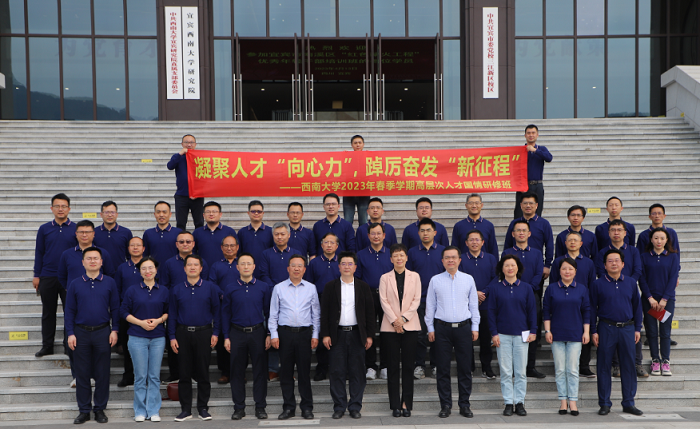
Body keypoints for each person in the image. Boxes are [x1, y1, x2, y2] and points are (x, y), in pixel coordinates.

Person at [64, 247, 119, 424]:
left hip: (103, 332)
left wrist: (115, 330)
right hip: (80, 333)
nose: (93, 261)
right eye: (89, 258)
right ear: (83, 262)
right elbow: (69, 311)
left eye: (96, 258)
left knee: (102, 373)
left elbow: (115, 308)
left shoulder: (110, 282)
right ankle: (84, 410)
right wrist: (70, 333)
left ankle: (100, 409)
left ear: (101, 262)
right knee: (82, 374)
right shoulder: (75, 283)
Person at [320, 251, 376, 420]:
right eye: (343, 263)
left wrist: (370, 335)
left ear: (355, 267)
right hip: (336, 335)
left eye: (350, 263)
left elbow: (370, 313)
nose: (346, 266)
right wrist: (325, 334)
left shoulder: (363, 287)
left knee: (357, 372)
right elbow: (324, 313)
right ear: (338, 267)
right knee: (337, 371)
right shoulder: (330, 287)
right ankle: (339, 406)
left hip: (357, 334)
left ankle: (355, 406)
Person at [425, 246, 479, 419]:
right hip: (442, 329)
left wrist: (475, 327)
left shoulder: (468, 279)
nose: (450, 260)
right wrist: (430, 328)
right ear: (442, 261)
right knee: (442, 369)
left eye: (454, 257)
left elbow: (473, 305)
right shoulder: (435, 280)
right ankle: (445, 405)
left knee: (465, 368)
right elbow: (430, 306)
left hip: (464, 328)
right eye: (447, 257)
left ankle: (464, 404)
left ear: (459, 260)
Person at [590, 249, 644, 416]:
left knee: (628, 366)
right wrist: (593, 330)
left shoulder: (631, 283)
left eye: (617, 260)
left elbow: (637, 307)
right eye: (610, 261)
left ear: (623, 264)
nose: (614, 263)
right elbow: (592, 309)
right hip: (606, 328)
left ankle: (628, 402)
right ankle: (605, 403)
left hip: (627, 328)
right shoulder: (597, 284)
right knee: (604, 366)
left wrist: (637, 328)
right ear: (604, 265)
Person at [168, 254, 221, 422]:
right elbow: (172, 314)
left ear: (201, 268)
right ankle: (185, 409)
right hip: (182, 333)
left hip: (204, 333)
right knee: (184, 373)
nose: (192, 267)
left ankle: (203, 408)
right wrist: (172, 336)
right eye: (189, 265)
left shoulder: (210, 288)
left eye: (195, 265)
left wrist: (215, 333)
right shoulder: (176, 289)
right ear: (184, 268)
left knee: (203, 372)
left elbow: (217, 312)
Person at [269, 255, 320, 420]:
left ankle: (307, 408)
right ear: (288, 268)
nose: (296, 268)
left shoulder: (311, 288)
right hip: (285, 334)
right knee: (286, 373)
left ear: (304, 269)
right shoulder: (279, 288)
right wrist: (274, 334)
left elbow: (316, 314)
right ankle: (289, 407)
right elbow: (273, 314)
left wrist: (315, 334)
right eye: (293, 265)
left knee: (304, 373)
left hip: (304, 334)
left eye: (300, 266)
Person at [594, 219, 647, 378]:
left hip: (628, 290)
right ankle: (616, 365)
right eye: (613, 230)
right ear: (608, 233)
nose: (616, 233)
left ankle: (637, 363)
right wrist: (611, 282)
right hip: (608, 289)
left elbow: (637, 269)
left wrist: (627, 283)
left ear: (625, 233)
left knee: (631, 324)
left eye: (619, 230)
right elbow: (600, 271)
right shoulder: (603, 252)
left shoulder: (633, 250)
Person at [223, 253, 272, 421]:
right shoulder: (230, 288)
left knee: (260, 371)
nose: (245, 266)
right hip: (236, 333)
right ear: (237, 267)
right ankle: (239, 407)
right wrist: (226, 336)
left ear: (254, 266)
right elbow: (225, 314)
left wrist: (268, 333)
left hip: (258, 332)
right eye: (242, 264)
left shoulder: (263, 287)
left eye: (248, 263)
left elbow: (268, 312)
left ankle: (260, 407)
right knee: (236, 371)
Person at [488, 254, 537, 417]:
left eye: (513, 265)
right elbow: (491, 312)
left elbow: (532, 311)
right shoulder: (495, 288)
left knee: (521, 371)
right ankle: (509, 402)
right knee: (506, 371)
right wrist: (494, 333)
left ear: (518, 268)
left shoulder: (526, 288)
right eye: (506, 265)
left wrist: (533, 330)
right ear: (502, 269)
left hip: (522, 335)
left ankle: (520, 402)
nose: (510, 268)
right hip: (502, 335)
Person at [120, 257, 169, 422]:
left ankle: (153, 410)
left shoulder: (164, 290)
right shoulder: (132, 290)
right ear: (139, 272)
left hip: (157, 338)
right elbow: (124, 312)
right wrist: (140, 323)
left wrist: (158, 320)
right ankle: (140, 410)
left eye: (151, 268)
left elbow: (169, 311)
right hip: (137, 337)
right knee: (140, 376)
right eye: (144, 268)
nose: (148, 271)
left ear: (156, 270)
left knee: (154, 376)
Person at [160, 231, 211, 384]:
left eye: (188, 241)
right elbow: (164, 285)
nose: (185, 244)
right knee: (175, 341)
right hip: (176, 306)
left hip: (197, 307)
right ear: (176, 245)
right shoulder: (169, 263)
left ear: (193, 244)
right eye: (181, 242)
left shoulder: (201, 262)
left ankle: (195, 373)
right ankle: (175, 373)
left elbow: (205, 284)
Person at [543, 257, 590, 416]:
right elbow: (546, 311)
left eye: (570, 269)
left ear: (575, 271)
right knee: (560, 369)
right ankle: (563, 401)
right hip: (556, 334)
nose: (567, 271)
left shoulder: (582, 289)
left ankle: (573, 402)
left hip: (575, 334)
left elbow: (586, 311)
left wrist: (586, 332)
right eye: (564, 268)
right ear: (559, 271)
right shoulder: (551, 289)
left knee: (573, 370)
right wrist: (547, 331)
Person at [379, 243, 422, 418]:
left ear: (406, 258)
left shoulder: (415, 276)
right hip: (390, 327)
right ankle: (395, 404)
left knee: (408, 366)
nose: (399, 258)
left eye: (401, 255)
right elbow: (383, 300)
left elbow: (416, 299)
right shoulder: (385, 278)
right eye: (395, 255)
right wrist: (395, 321)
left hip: (410, 326)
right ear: (391, 259)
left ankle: (406, 403)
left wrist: (403, 319)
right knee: (392, 366)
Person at [34, 193, 77, 358]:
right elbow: (39, 252)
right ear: (52, 208)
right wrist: (37, 275)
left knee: (70, 312)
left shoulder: (76, 229)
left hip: (69, 277)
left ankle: (68, 346)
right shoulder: (44, 229)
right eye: (57, 206)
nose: (60, 209)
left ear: (69, 209)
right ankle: (47, 346)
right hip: (48, 276)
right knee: (48, 312)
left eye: (64, 206)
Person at [549, 231, 597, 379]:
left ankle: (584, 366)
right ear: (565, 243)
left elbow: (592, 284)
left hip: (583, 301)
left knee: (585, 331)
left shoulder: (588, 262)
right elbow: (553, 282)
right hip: (562, 301)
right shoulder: (558, 262)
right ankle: (562, 367)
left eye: (575, 240)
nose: (572, 243)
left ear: (581, 244)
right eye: (570, 240)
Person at [502, 220, 545, 379]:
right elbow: (504, 273)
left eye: (524, 230)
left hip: (532, 295)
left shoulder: (537, 253)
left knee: (532, 330)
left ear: (529, 233)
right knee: (513, 330)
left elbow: (539, 273)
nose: (521, 233)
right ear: (513, 234)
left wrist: (528, 288)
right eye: (518, 230)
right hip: (511, 295)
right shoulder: (507, 253)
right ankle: (514, 367)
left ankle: (530, 367)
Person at [407, 218, 445, 379]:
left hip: (440, 300)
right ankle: (419, 365)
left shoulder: (443, 251)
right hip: (420, 300)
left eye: (428, 230)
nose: (425, 233)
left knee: (438, 334)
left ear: (435, 232)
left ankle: (436, 365)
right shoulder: (412, 252)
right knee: (420, 334)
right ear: (418, 233)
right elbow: (408, 277)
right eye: (422, 230)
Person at [639, 228, 680, 376]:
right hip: (649, 300)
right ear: (651, 239)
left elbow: (673, 278)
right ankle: (655, 360)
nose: (659, 241)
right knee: (651, 331)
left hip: (667, 301)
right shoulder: (644, 257)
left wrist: (664, 299)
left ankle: (666, 361)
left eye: (662, 238)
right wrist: (650, 297)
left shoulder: (673, 257)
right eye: (656, 238)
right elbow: (641, 278)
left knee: (665, 331)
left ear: (666, 240)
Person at [355, 222, 393, 381]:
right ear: (368, 236)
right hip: (367, 295)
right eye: (373, 233)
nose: (376, 236)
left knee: (387, 332)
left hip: (388, 296)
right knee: (368, 331)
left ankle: (385, 366)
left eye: (379, 233)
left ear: (384, 235)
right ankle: (370, 366)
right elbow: (357, 278)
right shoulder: (360, 255)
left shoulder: (391, 253)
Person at [458, 229, 498, 378]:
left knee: (485, 338)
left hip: (486, 303)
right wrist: (473, 293)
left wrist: (484, 292)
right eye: (471, 240)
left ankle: (486, 367)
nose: (474, 242)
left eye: (477, 240)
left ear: (483, 242)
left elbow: (496, 278)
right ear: (466, 243)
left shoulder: (491, 258)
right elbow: (458, 278)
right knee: (466, 338)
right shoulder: (461, 259)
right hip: (466, 305)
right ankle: (469, 367)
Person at [304, 232, 340, 381]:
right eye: (326, 242)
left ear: (337, 246)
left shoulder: (342, 262)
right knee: (321, 335)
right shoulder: (314, 263)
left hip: (338, 301)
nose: (329, 245)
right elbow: (309, 284)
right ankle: (322, 369)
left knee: (337, 336)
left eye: (332, 242)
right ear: (321, 245)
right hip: (319, 300)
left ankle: (338, 369)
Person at [113, 237, 146, 388]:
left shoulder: (148, 266)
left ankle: (145, 376)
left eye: (138, 245)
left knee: (146, 346)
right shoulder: (122, 268)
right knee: (128, 347)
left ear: (143, 248)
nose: (135, 247)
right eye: (132, 245)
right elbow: (117, 290)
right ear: (128, 248)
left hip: (146, 311)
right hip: (127, 313)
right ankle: (128, 375)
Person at [208, 234, 240, 384]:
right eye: (226, 245)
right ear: (221, 248)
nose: (229, 248)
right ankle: (225, 372)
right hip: (222, 307)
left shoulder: (242, 264)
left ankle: (239, 372)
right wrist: (224, 295)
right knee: (222, 339)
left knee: (239, 339)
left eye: (232, 245)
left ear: (237, 247)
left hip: (240, 307)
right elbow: (212, 284)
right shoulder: (216, 266)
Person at [514, 124, 552, 218]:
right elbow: (514, 168)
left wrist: (535, 150)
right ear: (525, 135)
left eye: (533, 133)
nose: (531, 135)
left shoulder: (542, 149)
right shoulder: (520, 150)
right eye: (528, 133)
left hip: (537, 185)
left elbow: (549, 158)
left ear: (537, 135)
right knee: (519, 212)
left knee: (537, 211)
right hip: (523, 185)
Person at [167, 134, 204, 231]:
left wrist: (199, 192)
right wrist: (180, 153)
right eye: (186, 142)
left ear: (195, 144)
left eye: (191, 142)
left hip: (197, 196)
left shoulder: (201, 158)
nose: (189, 144)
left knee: (199, 223)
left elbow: (206, 177)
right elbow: (170, 166)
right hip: (181, 195)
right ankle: (182, 240)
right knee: (180, 223)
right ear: (182, 144)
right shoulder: (178, 157)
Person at [451, 194, 499, 259]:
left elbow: (493, 248)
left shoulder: (489, 225)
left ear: (482, 205)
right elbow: (454, 249)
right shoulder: (459, 226)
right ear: (466, 205)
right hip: (464, 263)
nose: (474, 206)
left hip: (485, 262)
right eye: (471, 203)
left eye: (477, 203)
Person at [193, 201, 237, 268]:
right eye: (208, 212)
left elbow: (236, 252)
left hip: (224, 269)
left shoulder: (229, 231)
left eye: (214, 211)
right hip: (203, 270)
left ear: (220, 214)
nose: (211, 214)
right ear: (203, 215)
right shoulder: (197, 232)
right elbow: (193, 252)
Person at [237, 200, 273, 279]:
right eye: (253, 211)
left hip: (265, 272)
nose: (256, 213)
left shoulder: (270, 231)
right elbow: (239, 253)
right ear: (248, 213)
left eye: (259, 211)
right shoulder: (242, 232)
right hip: (246, 272)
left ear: (263, 213)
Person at [142, 201, 183, 267]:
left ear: (170, 214)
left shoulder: (178, 233)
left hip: (173, 269)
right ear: (154, 214)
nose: (161, 215)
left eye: (164, 212)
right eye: (158, 212)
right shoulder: (148, 233)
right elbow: (144, 255)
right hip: (154, 270)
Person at [342, 135, 371, 226]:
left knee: (363, 221)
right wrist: (342, 157)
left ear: (363, 144)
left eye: (359, 143)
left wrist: (371, 157)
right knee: (347, 220)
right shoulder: (346, 157)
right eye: (355, 143)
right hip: (349, 192)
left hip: (363, 192)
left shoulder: (369, 157)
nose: (358, 145)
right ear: (352, 145)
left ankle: (362, 235)